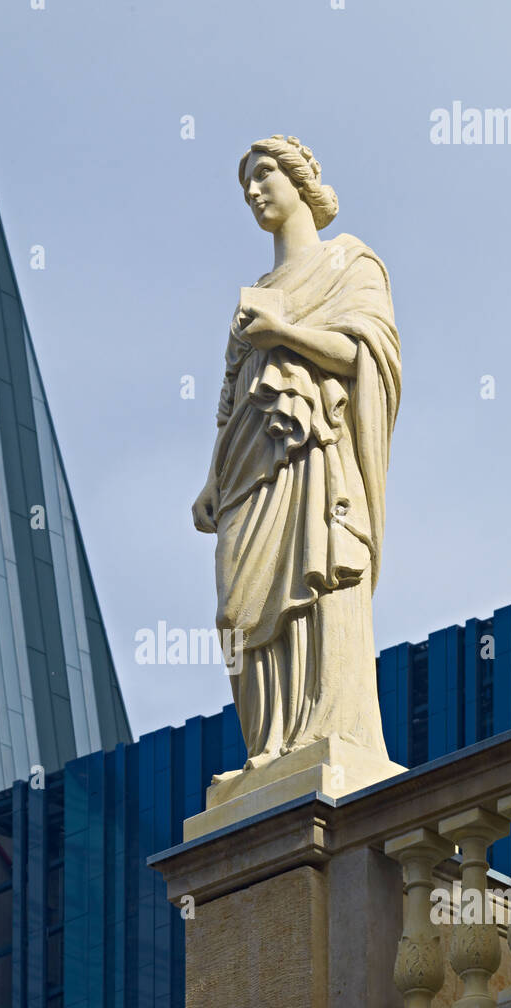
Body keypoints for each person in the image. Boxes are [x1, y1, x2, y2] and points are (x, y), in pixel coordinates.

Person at [192, 135, 402, 771]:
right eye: (245, 186)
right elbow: (232, 399)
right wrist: (210, 479)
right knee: (235, 613)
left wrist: (285, 332)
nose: (254, 192)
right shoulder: (253, 291)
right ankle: (268, 745)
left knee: (317, 582)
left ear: (300, 178)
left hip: (315, 457)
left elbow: (367, 358)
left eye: (263, 176)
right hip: (245, 471)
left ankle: (318, 733)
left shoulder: (350, 263)